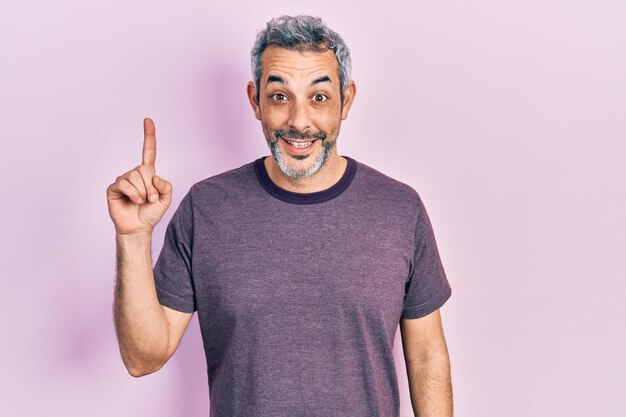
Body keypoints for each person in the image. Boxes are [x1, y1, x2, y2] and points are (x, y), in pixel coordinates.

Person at [106, 15, 453, 417]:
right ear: (255, 101)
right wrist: (132, 238)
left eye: (319, 98)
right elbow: (143, 358)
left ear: (347, 100)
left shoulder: (399, 209)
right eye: (280, 97)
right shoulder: (205, 209)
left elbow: (427, 354)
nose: (299, 121)